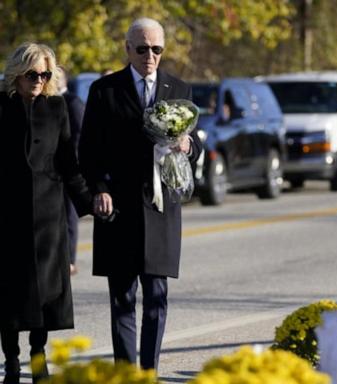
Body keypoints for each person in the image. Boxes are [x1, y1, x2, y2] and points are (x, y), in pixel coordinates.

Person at [79, 17, 202, 370]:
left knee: (157, 298)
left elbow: (195, 146)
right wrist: (99, 190)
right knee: (122, 299)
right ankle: (125, 373)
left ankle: (149, 372)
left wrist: (186, 143)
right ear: (127, 49)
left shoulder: (179, 89)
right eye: (143, 48)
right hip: (118, 209)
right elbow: (88, 152)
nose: (150, 55)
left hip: (161, 208)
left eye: (157, 49)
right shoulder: (104, 91)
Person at [0, 42, 92, 384]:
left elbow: (69, 163)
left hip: (48, 217)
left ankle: (38, 358)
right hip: (7, 217)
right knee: (9, 295)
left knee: (43, 296)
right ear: (17, 74)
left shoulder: (57, 108)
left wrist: (89, 201)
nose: (38, 80)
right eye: (32, 74)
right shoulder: (1, 106)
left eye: (45, 74)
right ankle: (11, 360)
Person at [57, 67, 86, 275]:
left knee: (69, 214)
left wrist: (73, 163)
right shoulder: (47, 101)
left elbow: (79, 136)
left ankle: (69, 259)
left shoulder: (72, 102)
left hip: (70, 167)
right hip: (52, 170)